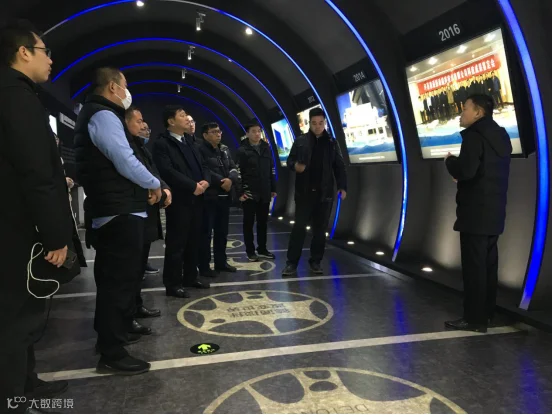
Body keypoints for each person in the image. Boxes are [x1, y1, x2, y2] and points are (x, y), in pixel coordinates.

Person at [0, 19, 73, 410]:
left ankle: (26, 384)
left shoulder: (15, 93)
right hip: (18, 228)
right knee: (17, 318)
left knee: (23, 314)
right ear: (23, 52)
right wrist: (55, 235)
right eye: (45, 51)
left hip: (14, 224)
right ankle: (12, 398)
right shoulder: (16, 96)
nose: (50, 60)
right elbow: (36, 173)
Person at [74, 67, 161, 375]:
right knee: (117, 283)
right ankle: (112, 351)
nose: (127, 91)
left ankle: (116, 335)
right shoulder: (103, 115)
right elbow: (124, 160)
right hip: (118, 212)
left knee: (119, 281)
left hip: (117, 208)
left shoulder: (98, 113)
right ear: (112, 87)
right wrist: (154, 183)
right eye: (125, 85)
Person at [444, 94, 512, 333]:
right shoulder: (501, 136)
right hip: (494, 212)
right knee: (488, 267)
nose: (461, 113)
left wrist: (450, 162)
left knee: (474, 269)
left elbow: (467, 170)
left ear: (478, 113)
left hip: (474, 214)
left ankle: (473, 319)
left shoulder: (474, 136)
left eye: (465, 109)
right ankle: (487, 314)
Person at [153, 105, 211, 298]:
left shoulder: (190, 141)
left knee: (194, 241)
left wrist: (206, 181)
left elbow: (203, 165)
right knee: (177, 243)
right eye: (182, 115)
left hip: (198, 198)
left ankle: (190, 276)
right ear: (171, 121)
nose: (187, 119)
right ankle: (173, 283)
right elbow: (167, 171)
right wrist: (192, 186)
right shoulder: (162, 144)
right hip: (179, 200)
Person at [282, 107, 347, 277]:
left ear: (325, 123)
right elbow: (290, 160)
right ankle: (291, 263)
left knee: (320, 231)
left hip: (324, 194)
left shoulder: (332, 143)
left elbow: (339, 166)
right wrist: (295, 166)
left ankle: (315, 261)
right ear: (309, 124)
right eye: (314, 123)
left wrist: (342, 186)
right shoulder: (301, 141)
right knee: (299, 229)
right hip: (304, 194)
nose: (318, 126)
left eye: (321, 123)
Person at [125, 107, 171, 329]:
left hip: (147, 211)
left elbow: (153, 172)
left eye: (145, 122)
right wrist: (154, 186)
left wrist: (163, 187)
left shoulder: (142, 147)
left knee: (139, 265)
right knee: (130, 268)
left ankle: (136, 305)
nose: (144, 126)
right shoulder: (125, 147)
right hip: (134, 210)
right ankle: (127, 315)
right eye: (139, 121)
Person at [196, 122, 239, 277]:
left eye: (219, 131)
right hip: (209, 197)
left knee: (222, 233)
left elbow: (233, 167)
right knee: (206, 234)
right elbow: (204, 170)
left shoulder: (225, 149)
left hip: (224, 197)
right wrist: (222, 182)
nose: (218, 134)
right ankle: (204, 266)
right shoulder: (199, 149)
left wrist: (231, 180)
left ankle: (221, 262)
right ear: (205, 135)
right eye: (213, 132)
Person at [236, 122, 277, 262]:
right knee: (248, 223)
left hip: (264, 191)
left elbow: (272, 169)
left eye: (259, 131)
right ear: (247, 133)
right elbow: (238, 172)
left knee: (263, 222)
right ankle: (250, 251)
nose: (257, 134)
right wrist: (241, 192)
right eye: (253, 131)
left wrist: (273, 188)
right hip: (249, 192)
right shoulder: (242, 150)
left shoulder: (266, 148)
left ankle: (262, 249)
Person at [138, 122, 160, 276]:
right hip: (140, 199)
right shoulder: (131, 148)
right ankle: (138, 266)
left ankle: (143, 263)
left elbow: (154, 171)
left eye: (148, 129)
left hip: (151, 199)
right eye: (143, 128)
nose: (147, 132)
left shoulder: (145, 150)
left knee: (148, 236)